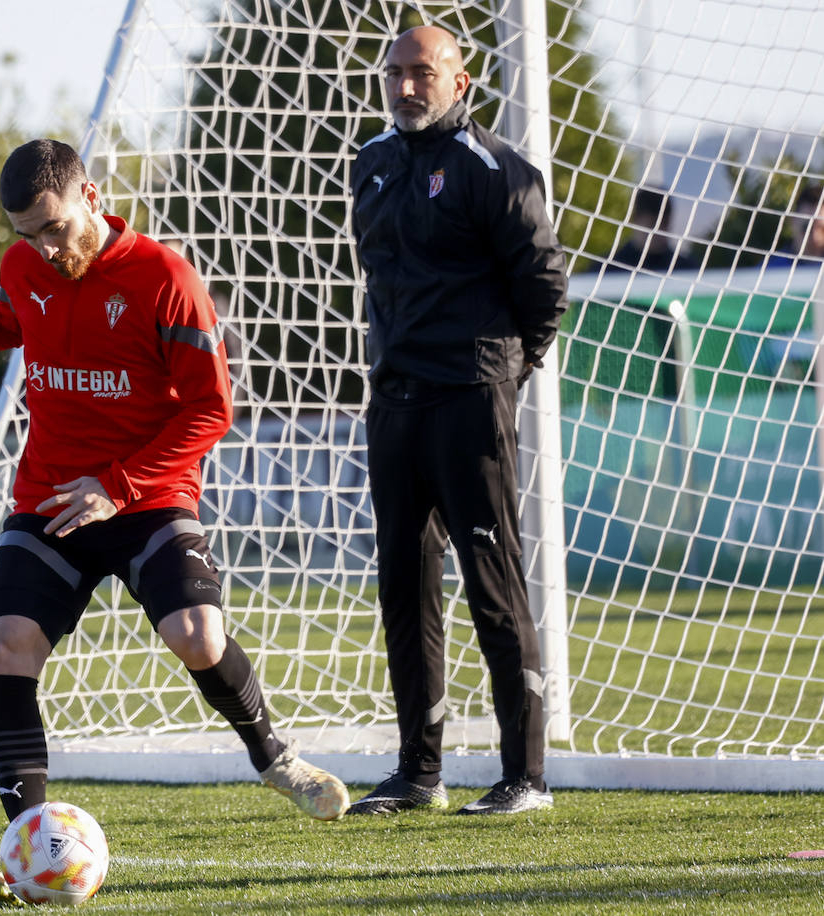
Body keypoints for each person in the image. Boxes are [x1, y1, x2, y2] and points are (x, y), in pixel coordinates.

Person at [0, 138, 349, 904]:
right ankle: (31, 842)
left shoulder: (166, 279)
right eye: (26, 234)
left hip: (148, 494)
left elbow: (211, 409)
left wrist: (120, 485)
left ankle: (275, 759)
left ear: (90, 195)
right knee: (5, 645)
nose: (42, 248)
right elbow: (7, 318)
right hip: (52, 496)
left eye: (54, 228)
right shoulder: (24, 264)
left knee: (198, 635)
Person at [347, 26, 568, 816]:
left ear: (460, 81)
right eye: (396, 73)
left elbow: (544, 288)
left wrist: (500, 370)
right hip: (395, 403)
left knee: (493, 582)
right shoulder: (369, 166)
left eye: (424, 73)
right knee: (404, 588)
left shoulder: (497, 171)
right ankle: (419, 773)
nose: (408, 87)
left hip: (471, 401)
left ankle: (526, 778)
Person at [608, 187, 688, 272]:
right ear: (635, 220)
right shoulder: (607, 269)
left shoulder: (687, 270)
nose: (660, 232)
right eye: (652, 225)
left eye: (665, 224)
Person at [767, 186, 824, 267]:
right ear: (792, 221)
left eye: (823, 229)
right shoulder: (771, 270)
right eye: (807, 228)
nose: (815, 237)